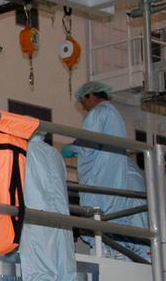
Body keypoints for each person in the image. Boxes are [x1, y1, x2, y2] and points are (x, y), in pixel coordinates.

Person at [62, 81, 149, 256]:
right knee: (113, 231)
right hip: (113, 184)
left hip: (100, 181)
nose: (83, 106)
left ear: (91, 95)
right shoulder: (114, 114)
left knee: (100, 226)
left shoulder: (97, 114)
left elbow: (88, 144)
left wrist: (72, 148)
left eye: (83, 101)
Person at [20, 135, 80, 281]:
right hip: (62, 219)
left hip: (37, 218)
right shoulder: (55, 153)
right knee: (67, 278)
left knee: (40, 276)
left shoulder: (24, 150)